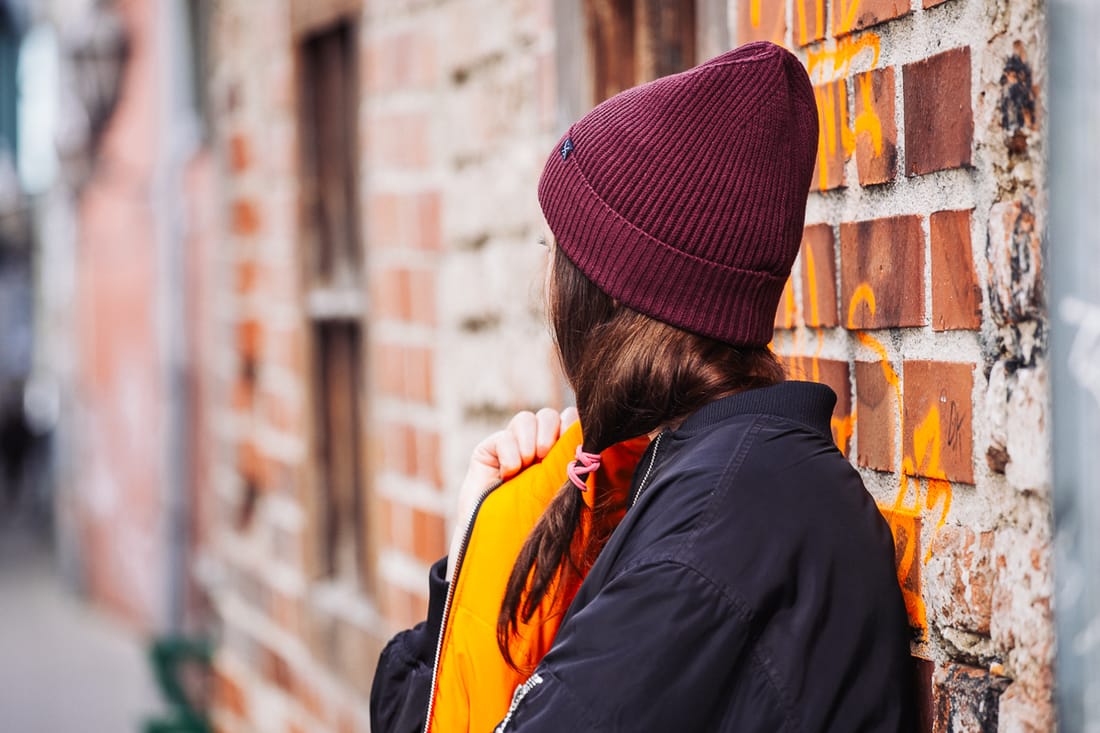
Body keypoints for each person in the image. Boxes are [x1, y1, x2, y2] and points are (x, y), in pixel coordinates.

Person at [370, 40, 917, 732]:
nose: (549, 283)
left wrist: (481, 532)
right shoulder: (722, 487)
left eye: (558, 254)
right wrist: (482, 536)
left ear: (611, 296)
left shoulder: (712, 536)